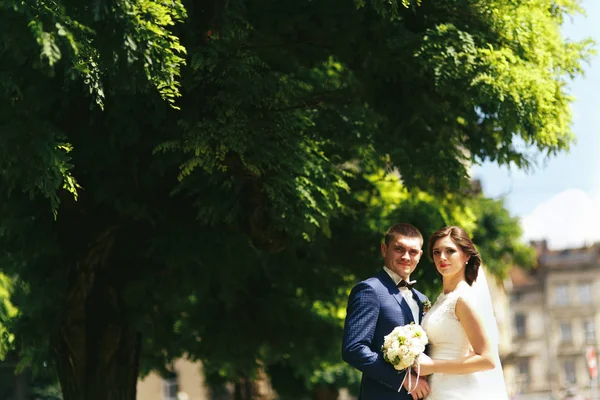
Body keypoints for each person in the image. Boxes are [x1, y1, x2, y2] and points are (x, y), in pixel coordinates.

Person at [342, 223, 431, 400]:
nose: (406, 256)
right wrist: (403, 380)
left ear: (419, 256)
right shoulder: (369, 290)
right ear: (384, 249)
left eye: (413, 252)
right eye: (399, 249)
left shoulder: (422, 299)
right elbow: (354, 349)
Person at [419, 226, 508, 399]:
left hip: (457, 391)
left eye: (450, 251)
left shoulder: (463, 299)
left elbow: (487, 359)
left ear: (466, 255)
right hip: (436, 390)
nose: (442, 257)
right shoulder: (442, 299)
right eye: (436, 252)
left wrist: (433, 366)